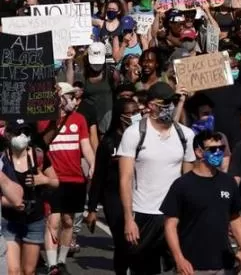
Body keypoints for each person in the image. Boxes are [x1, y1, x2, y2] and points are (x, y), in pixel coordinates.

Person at [117, 82, 196, 275]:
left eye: (173, 102)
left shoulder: (186, 135)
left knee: (180, 267)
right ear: (151, 105)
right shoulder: (134, 133)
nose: (170, 106)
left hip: (174, 215)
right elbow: (125, 179)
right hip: (143, 213)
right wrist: (129, 219)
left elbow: (188, 179)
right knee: (143, 269)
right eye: (165, 102)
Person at [161, 130, 241, 275]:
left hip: (224, 265)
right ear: (199, 152)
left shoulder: (228, 182)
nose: (219, 153)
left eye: (222, 149)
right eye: (213, 149)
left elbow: (235, 217)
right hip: (192, 266)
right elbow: (170, 225)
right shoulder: (182, 185)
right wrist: (179, 259)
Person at [37, 83, 95, 275]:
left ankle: (61, 261)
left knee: (69, 221)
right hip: (53, 177)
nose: (72, 100)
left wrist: (93, 164)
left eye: (73, 97)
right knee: (53, 221)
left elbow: (85, 146)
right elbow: (44, 141)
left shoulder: (79, 119)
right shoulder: (45, 119)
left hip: (75, 178)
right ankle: (51, 264)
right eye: (67, 96)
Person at [85, 97, 139, 275]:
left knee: (138, 243)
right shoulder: (108, 142)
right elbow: (98, 177)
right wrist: (92, 209)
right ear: (120, 116)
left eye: (137, 112)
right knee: (123, 242)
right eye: (131, 113)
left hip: (138, 196)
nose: (135, 117)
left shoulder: (142, 138)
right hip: (113, 198)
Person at [1, 120, 58, 275]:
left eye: (26, 132)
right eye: (18, 133)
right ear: (8, 135)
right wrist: (10, 202)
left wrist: (44, 180)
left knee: (29, 270)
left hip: (34, 220)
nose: (22, 136)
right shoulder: (2, 159)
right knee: (13, 271)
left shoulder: (38, 155)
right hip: (9, 221)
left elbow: (55, 182)